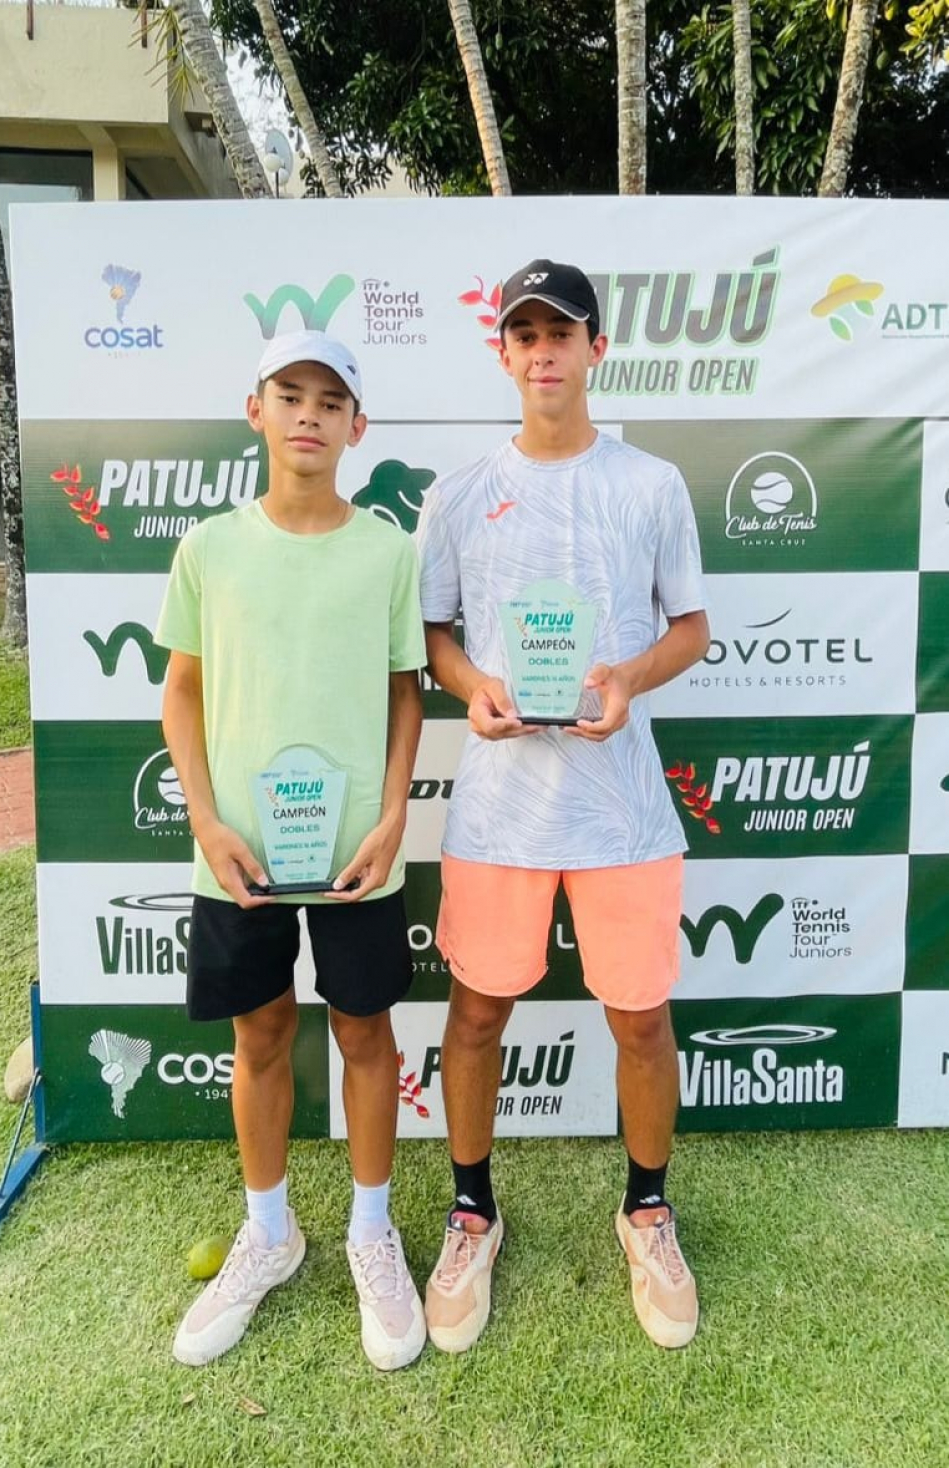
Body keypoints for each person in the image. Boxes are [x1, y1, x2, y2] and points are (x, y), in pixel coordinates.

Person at [416, 260, 710, 1353]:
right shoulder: (455, 493)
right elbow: (436, 637)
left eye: (562, 331)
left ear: (595, 348)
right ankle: (470, 1210)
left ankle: (645, 1206)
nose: (542, 349)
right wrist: (472, 689)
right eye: (523, 332)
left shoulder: (650, 483)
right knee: (477, 1014)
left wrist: (627, 678)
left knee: (638, 1016)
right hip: (499, 811)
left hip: (623, 812)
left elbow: (690, 626)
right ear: (502, 352)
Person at [155, 329, 428, 1372]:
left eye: (330, 398)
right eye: (290, 394)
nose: (309, 413)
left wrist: (396, 810)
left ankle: (369, 1229)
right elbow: (181, 690)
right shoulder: (208, 548)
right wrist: (206, 820)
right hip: (239, 855)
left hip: (359, 848)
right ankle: (269, 1231)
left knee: (365, 1032)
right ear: (255, 409)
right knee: (261, 1036)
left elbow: (407, 692)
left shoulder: (388, 551)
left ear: (358, 427)